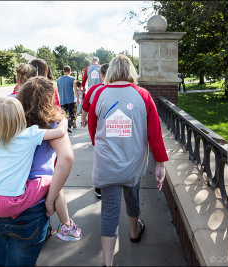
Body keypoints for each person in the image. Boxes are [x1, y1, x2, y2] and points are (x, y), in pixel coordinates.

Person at [0, 76, 81, 266]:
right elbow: (66, 159)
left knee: (0, 251)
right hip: (30, 208)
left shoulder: (5, 122)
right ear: (50, 99)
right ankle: (66, 224)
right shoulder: (48, 124)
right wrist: (50, 199)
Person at [87, 55, 168, 266]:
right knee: (132, 197)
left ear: (111, 71)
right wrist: (160, 163)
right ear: (131, 71)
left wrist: (103, 145)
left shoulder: (100, 94)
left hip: (107, 164)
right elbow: (155, 133)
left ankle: (107, 262)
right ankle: (134, 230)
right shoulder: (143, 95)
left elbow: (92, 128)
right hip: (133, 163)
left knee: (109, 211)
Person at [81, 63, 109, 199]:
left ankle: (99, 187)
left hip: (98, 130)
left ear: (101, 75)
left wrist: (83, 119)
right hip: (114, 130)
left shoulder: (94, 89)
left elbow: (85, 107)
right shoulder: (118, 90)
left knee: (100, 158)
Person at [56, 65, 80, 132]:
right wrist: (78, 98)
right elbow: (75, 90)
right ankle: (69, 126)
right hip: (71, 100)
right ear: (70, 71)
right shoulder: (72, 79)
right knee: (72, 115)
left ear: (64, 71)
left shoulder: (58, 80)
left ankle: (64, 126)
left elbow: (57, 90)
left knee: (63, 115)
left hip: (62, 100)